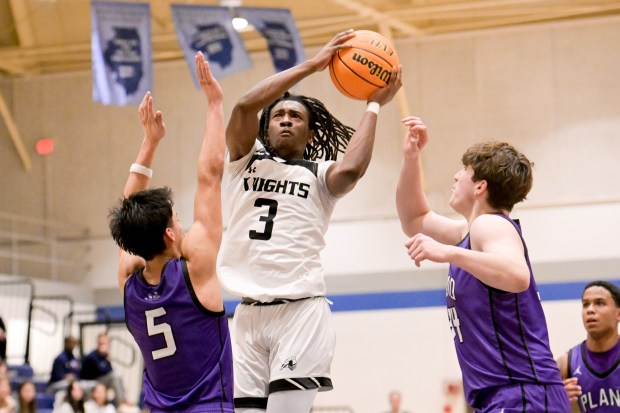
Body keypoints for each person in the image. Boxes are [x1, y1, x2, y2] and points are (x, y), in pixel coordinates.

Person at [218, 29, 402, 412]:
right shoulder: (242, 161)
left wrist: (373, 106)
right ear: (265, 129)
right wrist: (314, 65)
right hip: (248, 314)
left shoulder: (320, 174)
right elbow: (242, 107)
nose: (286, 119)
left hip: (300, 311)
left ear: (310, 131)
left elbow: (351, 169)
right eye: (279, 115)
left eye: (295, 116)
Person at [395, 117, 570, 412]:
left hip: (521, 392)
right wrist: (411, 157)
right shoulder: (470, 232)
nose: (455, 177)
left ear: (480, 186)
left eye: (464, 171)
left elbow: (516, 275)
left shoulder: (490, 225)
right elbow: (414, 219)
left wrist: (447, 253)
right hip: (508, 395)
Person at [108, 51, 232, 412]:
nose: (182, 222)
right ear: (171, 235)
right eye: (177, 219)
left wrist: (150, 143)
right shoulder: (195, 271)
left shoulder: (129, 282)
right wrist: (215, 103)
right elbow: (210, 174)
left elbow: (128, 217)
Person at [556, 280, 620, 413]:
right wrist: (557, 401)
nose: (590, 310)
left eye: (600, 303)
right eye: (585, 304)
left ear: (618, 314)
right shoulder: (566, 364)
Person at [79, 333, 125, 406]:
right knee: (115, 377)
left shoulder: (104, 357)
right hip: (88, 384)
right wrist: (108, 358)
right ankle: (122, 404)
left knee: (117, 377)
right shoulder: (92, 357)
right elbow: (103, 370)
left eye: (104, 343)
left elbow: (110, 372)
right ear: (98, 343)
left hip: (99, 381)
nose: (103, 346)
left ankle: (122, 402)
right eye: (101, 343)